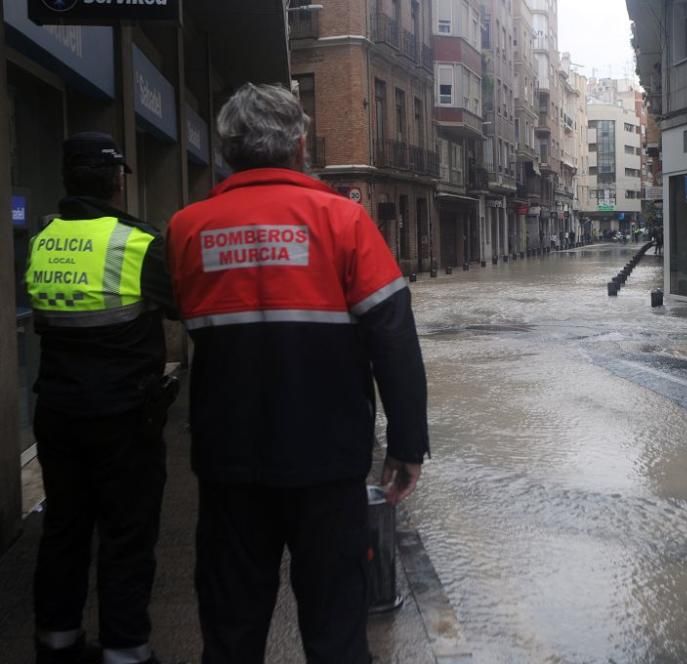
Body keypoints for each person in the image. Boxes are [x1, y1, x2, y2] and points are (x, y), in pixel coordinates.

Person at [167, 83, 430, 664]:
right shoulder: (344, 221)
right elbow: (393, 335)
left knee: (231, 629)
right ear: (300, 146)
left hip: (228, 462)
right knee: (336, 628)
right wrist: (407, 444)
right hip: (327, 463)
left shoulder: (185, 229)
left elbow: (177, 311)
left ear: (228, 148)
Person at [26, 132, 177, 664]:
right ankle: (126, 651)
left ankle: (57, 644)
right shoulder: (136, 242)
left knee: (64, 527)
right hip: (123, 417)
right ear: (116, 180)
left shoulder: (43, 237)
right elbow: (179, 304)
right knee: (127, 534)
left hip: (57, 413)